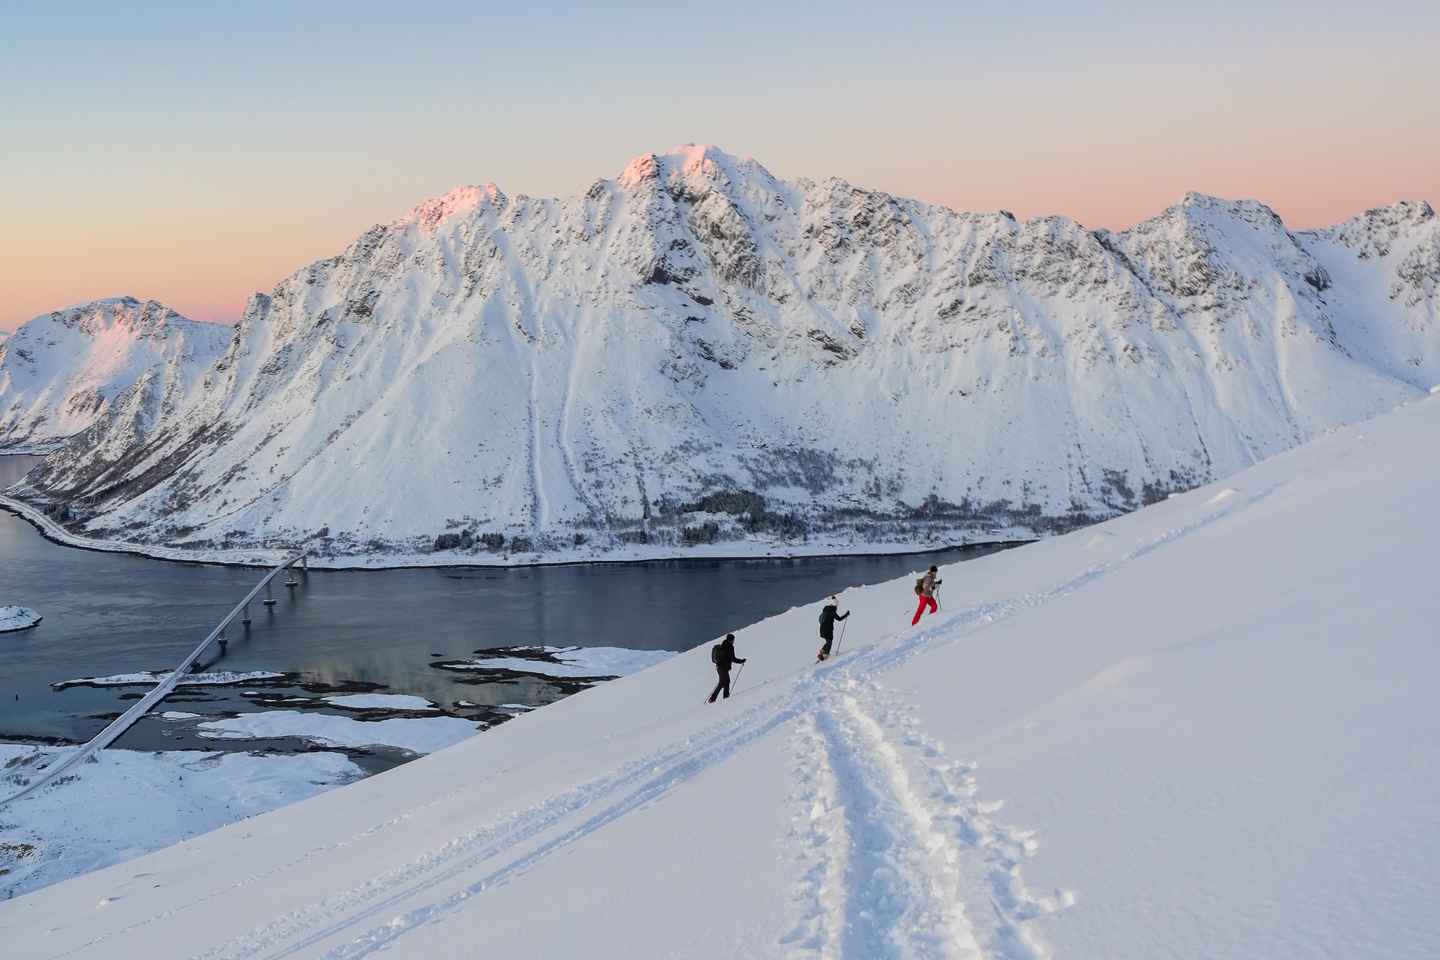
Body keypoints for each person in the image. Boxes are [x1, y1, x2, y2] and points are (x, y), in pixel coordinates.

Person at [708, 633, 747, 703]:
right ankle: (723, 698)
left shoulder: (723, 645)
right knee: (725, 682)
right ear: (731, 640)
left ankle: (715, 698)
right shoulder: (729, 647)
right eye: (733, 640)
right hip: (723, 668)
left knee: (723, 682)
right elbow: (733, 659)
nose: (734, 641)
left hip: (719, 667)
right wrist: (741, 661)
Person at [816, 595, 850, 661]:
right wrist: (846, 614)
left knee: (828, 642)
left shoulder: (825, 611)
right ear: (834, 606)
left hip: (822, 629)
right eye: (836, 606)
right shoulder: (832, 611)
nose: (836, 608)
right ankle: (824, 655)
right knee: (829, 642)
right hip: (827, 629)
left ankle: (823, 653)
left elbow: (820, 620)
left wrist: (834, 598)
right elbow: (839, 619)